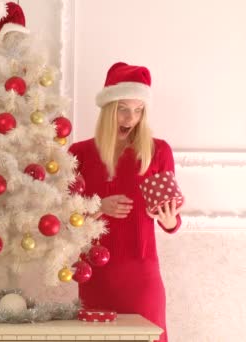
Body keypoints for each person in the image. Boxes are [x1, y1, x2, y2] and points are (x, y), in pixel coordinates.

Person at [68, 62, 182, 342]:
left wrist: (170, 221)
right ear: (108, 109)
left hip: (142, 273)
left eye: (138, 109)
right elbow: (64, 214)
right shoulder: (79, 153)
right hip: (96, 273)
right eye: (123, 108)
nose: (131, 118)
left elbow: (170, 214)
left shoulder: (157, 151)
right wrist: (98, 207)